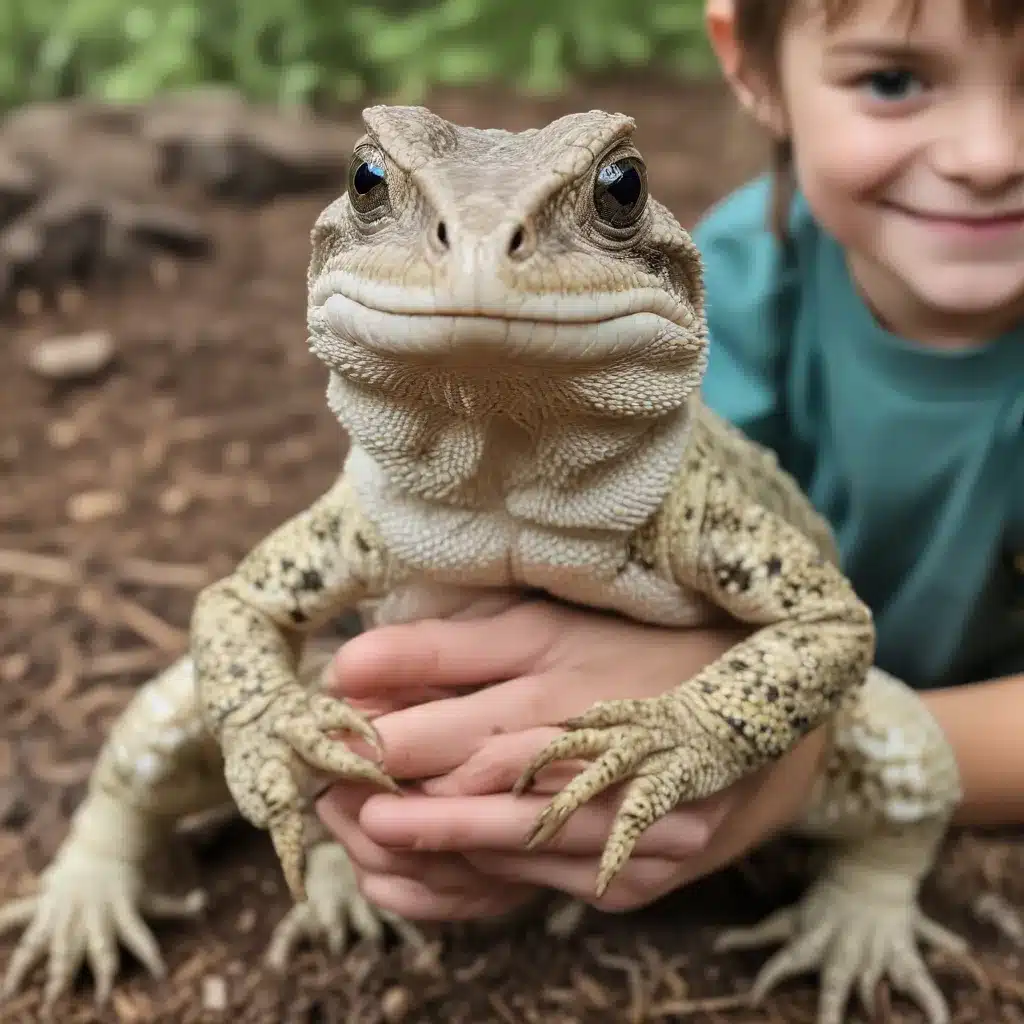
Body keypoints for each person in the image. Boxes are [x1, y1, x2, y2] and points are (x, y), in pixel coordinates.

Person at [316, 0, 1024, 929]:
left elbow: (810, 658)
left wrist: (793, 760)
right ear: (750, 62)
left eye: (610, 199)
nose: (988, 155)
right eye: (892, 79)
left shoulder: (650, 305)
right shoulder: (696, 301)